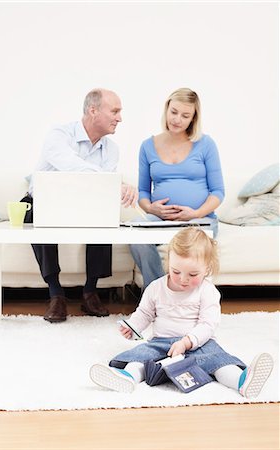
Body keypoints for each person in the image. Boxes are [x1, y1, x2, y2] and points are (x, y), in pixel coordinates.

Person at [90, 228, 274, 397]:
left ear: (207, 268)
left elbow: (207, 325)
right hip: (160, 343)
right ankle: (127, 377)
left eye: (192, 275)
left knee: (219, 362)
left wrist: (186, 342)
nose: (183, 280)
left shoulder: (208, 292)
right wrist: (133, 327)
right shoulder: (156, 288)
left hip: (198, 344)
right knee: (140, 357)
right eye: (176, 271)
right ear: (169, 262)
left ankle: (241, 381)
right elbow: (145, 313)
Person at [21, 88, 137, 323]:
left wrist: (116, 184)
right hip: (43, 202)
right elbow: (71, 166)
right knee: (37, 213)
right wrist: (113, 182)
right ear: (93, 110)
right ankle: (56, 295)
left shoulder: (111, 149)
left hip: (86, 203)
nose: (120, 118)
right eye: (114, 111)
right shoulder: (59, 135)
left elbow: (102, 188)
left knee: (105, 215)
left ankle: (90, 291)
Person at [129, 88, 225, 289]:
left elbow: (218, 192)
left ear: (193, 118)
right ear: (166, 109)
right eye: (174, 112)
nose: (177, 119)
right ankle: (156, 293)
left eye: (185, 115)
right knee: (135, 233)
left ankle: (186, 297)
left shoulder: (206, 144)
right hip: (160, 217)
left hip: (199, 218)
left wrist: (195, 213)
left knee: (192, 249)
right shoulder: (148, 146)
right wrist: (151, 208)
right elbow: (143, 192)